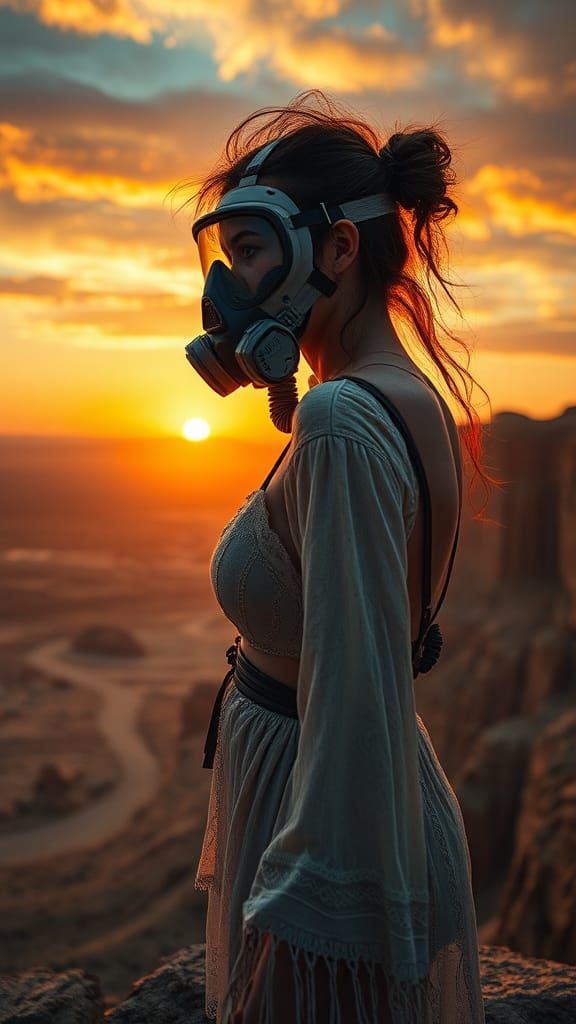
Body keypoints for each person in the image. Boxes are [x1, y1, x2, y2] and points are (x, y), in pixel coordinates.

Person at [187, 89, 493, 1023]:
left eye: (250, 249)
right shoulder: (390, 396)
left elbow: (356, 695)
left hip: (319, 819)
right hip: (323, 794)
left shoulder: (341, 419)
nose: (227, 285)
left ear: (341, 246)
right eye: (223, 254)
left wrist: (308, 933)